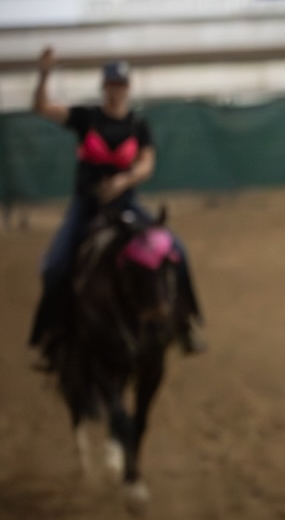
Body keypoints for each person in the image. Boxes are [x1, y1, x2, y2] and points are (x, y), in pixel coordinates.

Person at [29, 48, 206, 365]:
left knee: (176, 251)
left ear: (127, 87)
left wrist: (123, 181)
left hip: (125, 204)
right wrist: (43, 75)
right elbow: (41, 106)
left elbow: (147, 164)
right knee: (56, 265)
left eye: (121, 84)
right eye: (112, 84)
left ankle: (185, 323)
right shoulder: (86, 118)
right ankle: (51, 333)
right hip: (87, 206)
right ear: (104, 87)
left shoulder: (138, 125)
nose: (116, 89)